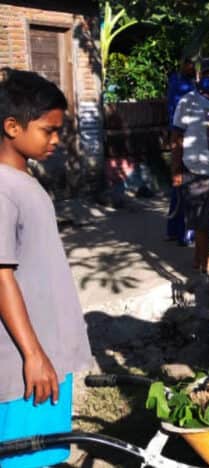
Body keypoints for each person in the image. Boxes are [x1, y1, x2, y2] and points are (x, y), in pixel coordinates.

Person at [0, 68, 92, 467]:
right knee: (24, 458)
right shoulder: (3, 189)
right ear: (12, 126)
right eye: (47, 130)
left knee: (46, 455)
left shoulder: (26, 182)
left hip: (47, 358)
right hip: (24, 366)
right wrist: (33, 354)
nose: (56, 139)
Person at [171, 58, 209, 272]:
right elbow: (177, 135)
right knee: (203, 221)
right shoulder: (188, 101)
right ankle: (205, 264)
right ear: (199, 77)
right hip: (195, 169)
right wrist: (176, 169)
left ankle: (199, 260)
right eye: (207, 74)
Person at [166, 56, 196, 246]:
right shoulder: (180, 85)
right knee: (186, 187)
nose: (193, 68)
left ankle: (174, 231)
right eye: (190, 65)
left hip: (184, 138)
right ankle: (186, 234)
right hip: (184, 139)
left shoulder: (186, 83)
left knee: (179, 187)